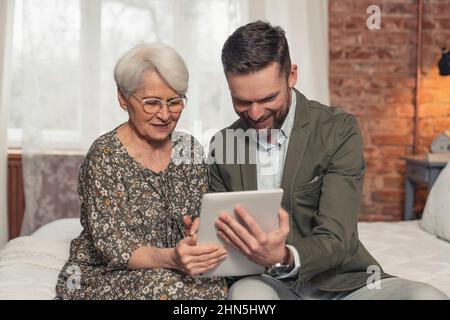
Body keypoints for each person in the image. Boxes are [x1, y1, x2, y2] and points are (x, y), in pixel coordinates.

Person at [208, 20, 448, 300]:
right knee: (246, 298)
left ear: (291, 75)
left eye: (268, 98)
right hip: (266, 284)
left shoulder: (338, 130)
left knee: (426, 297)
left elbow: (337, 238)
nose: (256, 113)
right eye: (242, 101)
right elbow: (222, 239)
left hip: (344, 283)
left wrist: (285, 256)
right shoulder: (223, 144)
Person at [55, 43, 228, 300]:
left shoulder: (187, 148)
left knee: (217, 286)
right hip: (106, 273)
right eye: (152, 102)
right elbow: (115, 248)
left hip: (176, 266)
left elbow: (199, 214)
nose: (165, 114)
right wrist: (172, 258)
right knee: (166, 288)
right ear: (123, 98)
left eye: (174, 102)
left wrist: (200, 231)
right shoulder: (105, 155)